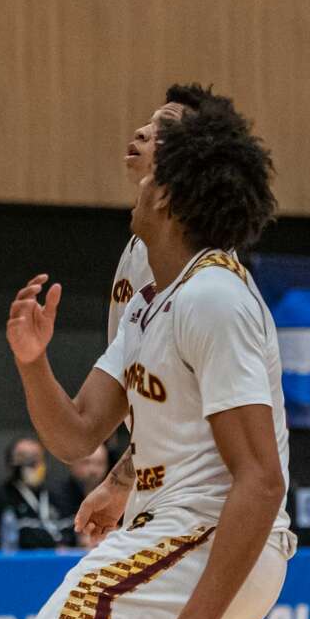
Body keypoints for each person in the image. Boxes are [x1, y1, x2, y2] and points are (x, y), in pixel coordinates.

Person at [0, 94, 293, 619]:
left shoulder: (214, 298)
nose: (139, 137)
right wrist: (32, 364)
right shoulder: (152, 300)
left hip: (212, 537)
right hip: (170, 532)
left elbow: (262, 481)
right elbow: (76, 435)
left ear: (167, 194)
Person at [75, 84, 212, 547]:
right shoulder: (143, 242)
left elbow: (190, 409)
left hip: (194, 494)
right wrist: (122, 479)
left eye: (162, 129)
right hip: (157, 474)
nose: (141, 130)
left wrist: (122, 479)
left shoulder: (198, 262)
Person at [0, 435, 78, 550]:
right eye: (23, 458)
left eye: (35, 458)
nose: (30, 464)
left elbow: (74, 533)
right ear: (10, 463)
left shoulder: (60, 497)